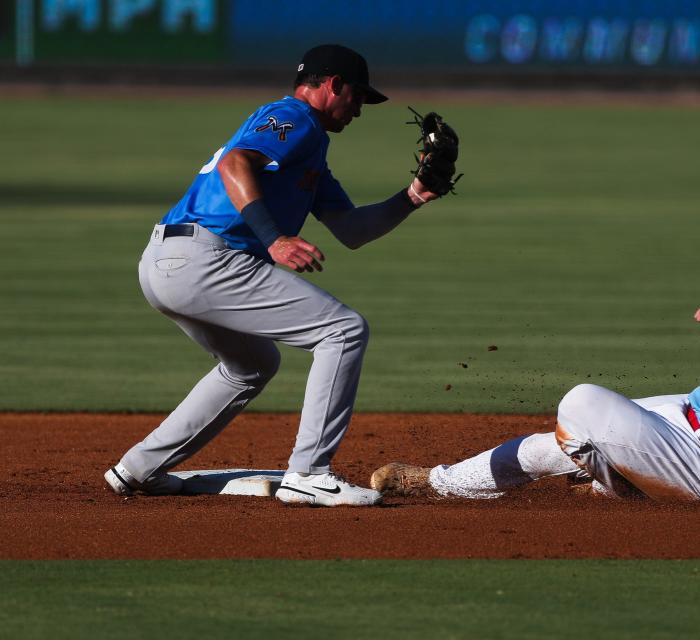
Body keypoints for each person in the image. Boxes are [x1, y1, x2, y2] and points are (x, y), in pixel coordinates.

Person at [105, 44, 453, 507]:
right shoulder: (295, 117)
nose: (359, 110)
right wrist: (274, 239)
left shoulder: (311, 155)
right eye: (357, 97)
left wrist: (413, 195)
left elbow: (351, 229)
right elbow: (235, 162)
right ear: (333, 85)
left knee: (251, 366)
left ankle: (139, 468)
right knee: (343, 331)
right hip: (205, 258)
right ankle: (309, 472)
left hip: (171, 261)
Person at [371, 228, 700, 516]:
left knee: (581, 403)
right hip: (683, 417)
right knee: (551, 444)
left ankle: (616, 485)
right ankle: (438, 483)